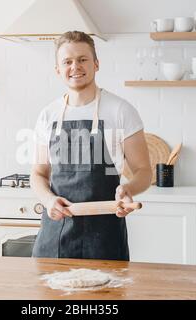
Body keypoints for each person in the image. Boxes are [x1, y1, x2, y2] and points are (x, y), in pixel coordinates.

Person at [31, 31, 151, 261]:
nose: (75, 66)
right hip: (56, 232)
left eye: (83, 59)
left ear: (96, 64)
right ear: (58, 70)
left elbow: (144, 171)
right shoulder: (48, 115)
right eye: (67, 61)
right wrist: (48, 200)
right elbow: (38, 173)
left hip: (104, 235)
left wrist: (128, 190)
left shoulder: (121, 111)